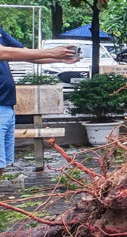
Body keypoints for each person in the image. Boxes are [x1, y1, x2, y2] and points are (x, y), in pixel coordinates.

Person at [0, 28, 79, 173]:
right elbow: (3, 52)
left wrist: (60, 58)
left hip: (6, 105)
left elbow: (26, 54)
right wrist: (51, 52)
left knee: (2, 164)